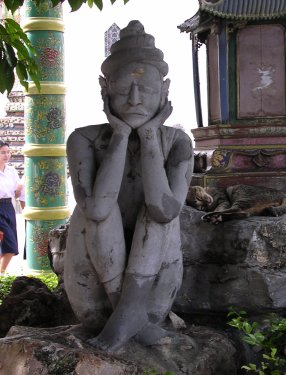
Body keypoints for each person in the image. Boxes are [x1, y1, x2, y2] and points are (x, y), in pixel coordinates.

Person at [64, 20, 193, 352]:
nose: (135, 100)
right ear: (105, 89)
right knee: (97, 209)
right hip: (94, 293)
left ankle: (130, 311)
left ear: (165, 92)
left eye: (147, 91)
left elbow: (165, 211)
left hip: (154, 294)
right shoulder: (83, 138)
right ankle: (126, 310)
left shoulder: (177, 141)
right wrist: (120, 135)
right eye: (123, 90)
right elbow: (96, 208)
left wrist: (149, 135)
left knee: (158, 209)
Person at [0, 140, 22, 275]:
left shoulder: (11, 170)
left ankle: (1, 274)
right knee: (8, 241)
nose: (6, 155)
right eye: (3, 152)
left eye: (8, 152)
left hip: (9, 206)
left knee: (11, 247)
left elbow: (17, 190)